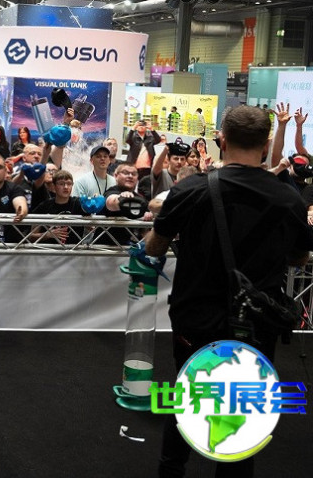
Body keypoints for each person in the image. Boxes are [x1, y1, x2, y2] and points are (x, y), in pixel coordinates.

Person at [144, 105, 313, 478]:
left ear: (221, 140)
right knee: (243, 410)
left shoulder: (191, 189)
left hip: (195, 316)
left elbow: (154, 246)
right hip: (257, 320)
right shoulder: (289, 199)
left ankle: (171, 469)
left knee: (188, 393)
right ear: (266, 145)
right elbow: (300, 257)